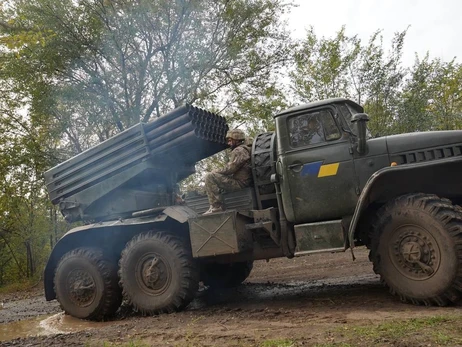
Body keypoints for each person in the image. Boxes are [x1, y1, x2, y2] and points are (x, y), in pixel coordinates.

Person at [203, 128, 252, 214]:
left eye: (230, 140)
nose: (228, 143)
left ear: (236, 139)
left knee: (209, 176)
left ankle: (216, 206)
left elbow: (231, 169)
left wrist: (216, 171)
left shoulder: (239, 150)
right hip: (243, 181)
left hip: (240, 184)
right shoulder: (245, 149)